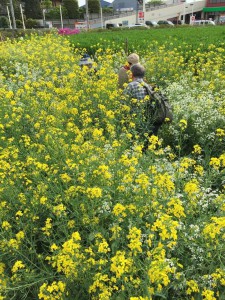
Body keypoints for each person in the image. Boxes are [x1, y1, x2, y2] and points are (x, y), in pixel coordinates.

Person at [123, 63, 162, 152]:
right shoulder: (148, 86)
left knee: (136, 143)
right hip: (148, 119)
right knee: (146, 144)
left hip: (135, 120)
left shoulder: (131, 85)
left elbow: (123, 104)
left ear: (132, 74)